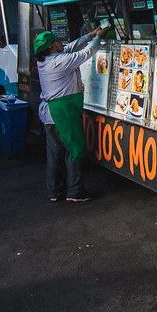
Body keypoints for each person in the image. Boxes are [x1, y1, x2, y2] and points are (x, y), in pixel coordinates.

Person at [35, 26, 106, 202]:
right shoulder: (59, 62)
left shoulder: (46, 59)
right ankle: (75, 191)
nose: (61, 43)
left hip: (50, 114)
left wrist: (90, 34)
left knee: (54, 154)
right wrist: (98, 38)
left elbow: (71, 47)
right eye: (57, 41)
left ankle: (55, 191)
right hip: (62, 113)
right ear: (51, 47)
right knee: (74, 151)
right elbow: (85, 53)